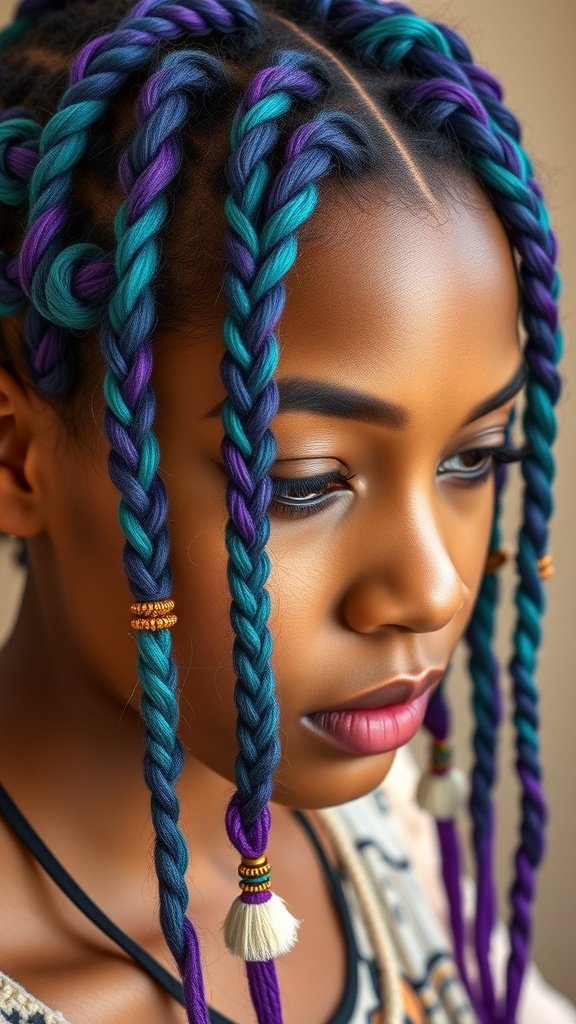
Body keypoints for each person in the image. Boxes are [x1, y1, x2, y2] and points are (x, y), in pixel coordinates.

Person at [0, 0, 573, 1022]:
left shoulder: (397, 842)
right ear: (17, 455)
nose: (430, 588)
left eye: (476, 457)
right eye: (305, 482)